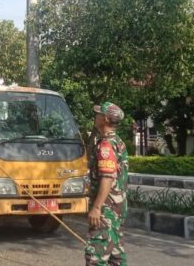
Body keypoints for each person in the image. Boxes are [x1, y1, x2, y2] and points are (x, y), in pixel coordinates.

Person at [85, 102, 129, 266]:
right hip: (117, 209)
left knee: (96, 257)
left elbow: (107, 178)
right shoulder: (118, 142)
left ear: (104, 119)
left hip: (106, 211)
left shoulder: (106, 145)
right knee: (116, 258)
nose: (95, 117)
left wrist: (97, 208)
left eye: (98, 114)